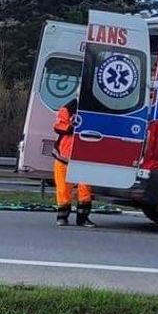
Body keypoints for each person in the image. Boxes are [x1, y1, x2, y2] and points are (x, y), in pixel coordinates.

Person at [53, 96, 94, 227]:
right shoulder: (70, 107)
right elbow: (58, 126)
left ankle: (83, 218)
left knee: (85, 190)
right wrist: (74, 127)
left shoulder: (95, 107)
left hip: (84, 156)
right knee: (63, 189)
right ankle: (62, 217)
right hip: (64, 156)